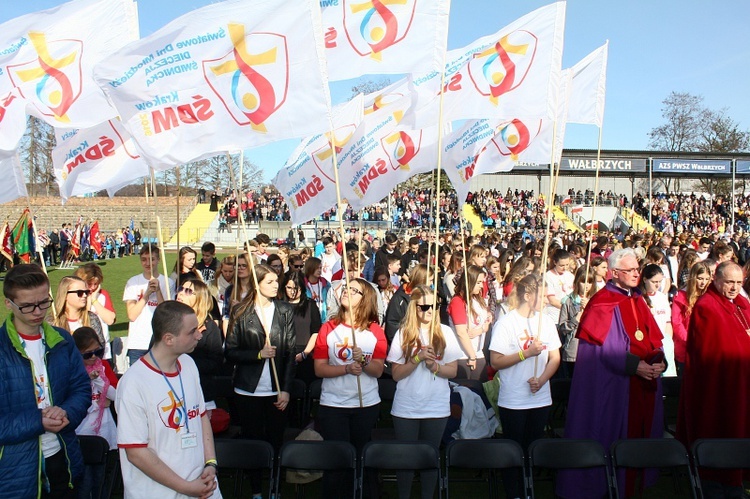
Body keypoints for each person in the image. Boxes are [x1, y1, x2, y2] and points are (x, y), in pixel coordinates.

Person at [557, 248, 666, 499]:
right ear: (614, 273)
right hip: (615, 386)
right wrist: (634, 366)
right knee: (608, 435)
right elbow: (603, 350)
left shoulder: (637, 298)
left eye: (637, 270)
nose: (636, 274)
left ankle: (634, 483)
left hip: (642, 382)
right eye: (630, 271)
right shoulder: (602, 302)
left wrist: (659, 360)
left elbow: (652, 337)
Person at [0, 264, 90, 498]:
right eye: (28, 306)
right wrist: (38, 421)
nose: (38, 311)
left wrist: (66, 412)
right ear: (8, 303)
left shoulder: (61, 340)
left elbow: (81, 389)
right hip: (15, 473)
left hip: (64, 459)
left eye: (43, 302)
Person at [116, 301, 220, 499]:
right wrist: (186, 487)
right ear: (169, 339)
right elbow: (136, 453)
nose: (199, 335)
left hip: (202, 487)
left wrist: (210, 463)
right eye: (192, 332)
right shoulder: (133, 383)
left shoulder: (188, 364)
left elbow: (201, 416)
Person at [677, 261, 750, 499]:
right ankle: (721, 483)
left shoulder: (741, 305)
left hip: (740, 382)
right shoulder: (708, 306)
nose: (734, 288)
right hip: (719, 388)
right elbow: (720, 348)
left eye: (739, 283)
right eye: (729, 282)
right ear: (715, 280)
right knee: (722, 431)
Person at [225, 264, 296, 499]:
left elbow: (288, 355)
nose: (276, 286)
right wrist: (258, 354)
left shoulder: (285, 311)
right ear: (257, 284)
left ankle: (274, 488)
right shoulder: (240, 313)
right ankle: (256, 490)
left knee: (276, 441)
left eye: (277, 281)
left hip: (276, 392)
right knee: (253, 443)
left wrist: (285, 389)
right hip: (248, 391)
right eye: (270, 282)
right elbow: (231, 352)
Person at [313, 278, 386, 498]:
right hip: (333, 404)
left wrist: (363, 360)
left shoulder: (375, 331)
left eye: (355, 290)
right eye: (347, 287)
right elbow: (319, 369)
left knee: (363, 457)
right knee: (337, 460)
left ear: (366, 300)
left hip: (365, 404)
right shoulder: (328, 328)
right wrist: (345, 369)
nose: (347, 291)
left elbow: (378, 371)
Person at [490, 274, 561, 499]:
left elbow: (555, 358)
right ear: (528, 296)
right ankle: (514, 492)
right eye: (543, 296)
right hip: (514, 400)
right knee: (514, 450)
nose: (548, 300)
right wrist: (525, 353)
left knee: (533, 447)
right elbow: (496, 361)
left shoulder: (546, 321)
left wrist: (541, 380)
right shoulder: (506, 323)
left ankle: (529, 489)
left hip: (540, 398)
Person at [387, 285, 461, 499]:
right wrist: (417, 359)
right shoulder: (404, 333)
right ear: (414, 307)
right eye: (425, 306)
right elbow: (396, 374)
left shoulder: (445, 332)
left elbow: (453, 370)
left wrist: (434, 367)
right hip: (406, 407)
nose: (430, 310)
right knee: (406, 459)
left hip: (436, 405)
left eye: (434, 306)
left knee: (430, 457)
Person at [74, 326, 118, 499]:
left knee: (102, 480)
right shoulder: (73, 371)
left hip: (105, 431)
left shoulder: (103, 366)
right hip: (83, 433)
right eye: (87, 354)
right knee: (84, 483)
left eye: (98, 352)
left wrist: (99, 379)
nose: (93, 357)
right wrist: (87, 380)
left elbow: (115, 395)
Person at [178, 279, 224, 416]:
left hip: (201, 392)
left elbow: (216, 362)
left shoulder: (210, 328)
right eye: (181, 288)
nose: (181, 293)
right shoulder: (169, 325)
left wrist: (186, 364)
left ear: (199, 298)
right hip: (173, 394)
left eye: (188, 291)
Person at [123, 245, 174, 368]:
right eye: (144, 259)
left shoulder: (168, 283)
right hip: (138, 343)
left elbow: (167, 314)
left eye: (152, 259)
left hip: (159, 343)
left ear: (158, 260)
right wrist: (146, 295)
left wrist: (158, 291)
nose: (148, 263)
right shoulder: (133, 282)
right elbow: (132, 315)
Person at [447, 265, 492, 380]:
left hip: (478, 352)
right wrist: (472, 356)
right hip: (464, 356)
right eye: (478, 282)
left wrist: (484, 326)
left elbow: (485, 318)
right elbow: (461, 332)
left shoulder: (477, 298)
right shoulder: (457, 301)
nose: (482, 286)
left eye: (482, 282)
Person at [281, 270, 322, 386]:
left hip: (305, 352)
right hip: (284, 352)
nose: (292, 292)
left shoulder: (311, 305)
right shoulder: (279, 306)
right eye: (289, 288)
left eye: (296, 288)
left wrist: (304, 353)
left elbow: (315, 332)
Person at [670, 261, 710, 375]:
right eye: (700, 278)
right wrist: (688, 340)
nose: (703, 282)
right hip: (685, 346)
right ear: (694, 277)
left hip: (704, 346)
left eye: (706, 279)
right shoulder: (681, 296)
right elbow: (677, 322)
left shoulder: (708, 295)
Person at [558, 266, 597, 378]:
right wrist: (575, 319)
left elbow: (599, 325)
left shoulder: (596, 301)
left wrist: (590, 308)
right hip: (573, 351)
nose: (586, 286)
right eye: (583, 282)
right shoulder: (568, 301)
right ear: (577, 282)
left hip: (590, 351)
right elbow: (562, 328)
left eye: (589, 282)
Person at [74, 263, 117, 362]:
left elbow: (110, 320)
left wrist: (94, 299)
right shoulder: (78, 297)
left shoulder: (103, 295)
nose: (92, 288)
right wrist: (88, 299)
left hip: (102, 351)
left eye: (96, 284)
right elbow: (85, 317)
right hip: (83, 352)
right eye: (89, 284)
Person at [639, 264, 675, 376]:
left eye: (660, 281)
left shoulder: (662, 297)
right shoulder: (639, 298)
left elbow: (667, 322)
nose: (658, 285)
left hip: (664, 341)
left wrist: (668, 341)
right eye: (654, 282)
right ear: (645, 279)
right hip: (649, 343)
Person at [53, 276, 105, 347]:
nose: (84, 295)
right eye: (79, 293)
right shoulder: (53, 321)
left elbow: (100, 345)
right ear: (65, 295)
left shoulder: (91, 318)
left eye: (86, 292)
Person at [303, 256, 330, 323]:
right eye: (316, 268)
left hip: (323, 319)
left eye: (320, 268)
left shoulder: (325, 284)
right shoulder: (303, 285)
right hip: (309, 320)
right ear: (310, 268)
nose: (319, 270)